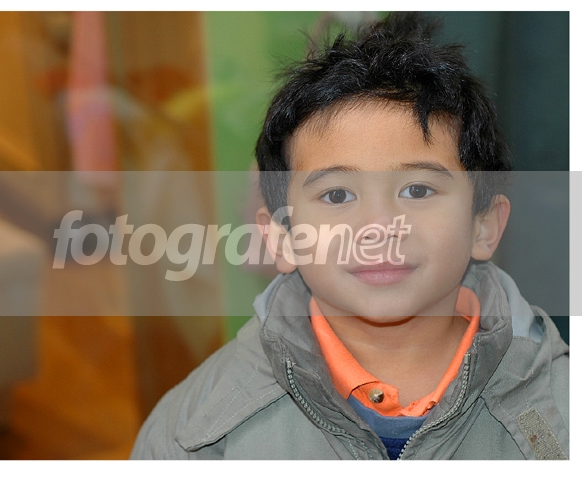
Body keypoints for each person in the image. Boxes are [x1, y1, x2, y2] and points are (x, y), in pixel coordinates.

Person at [130, 12, 569, 460]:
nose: (378, 227)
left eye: (417, 190)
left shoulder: (563, 408)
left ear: (485, 225)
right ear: (281, 237)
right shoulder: (192, 434)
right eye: (337, 195)